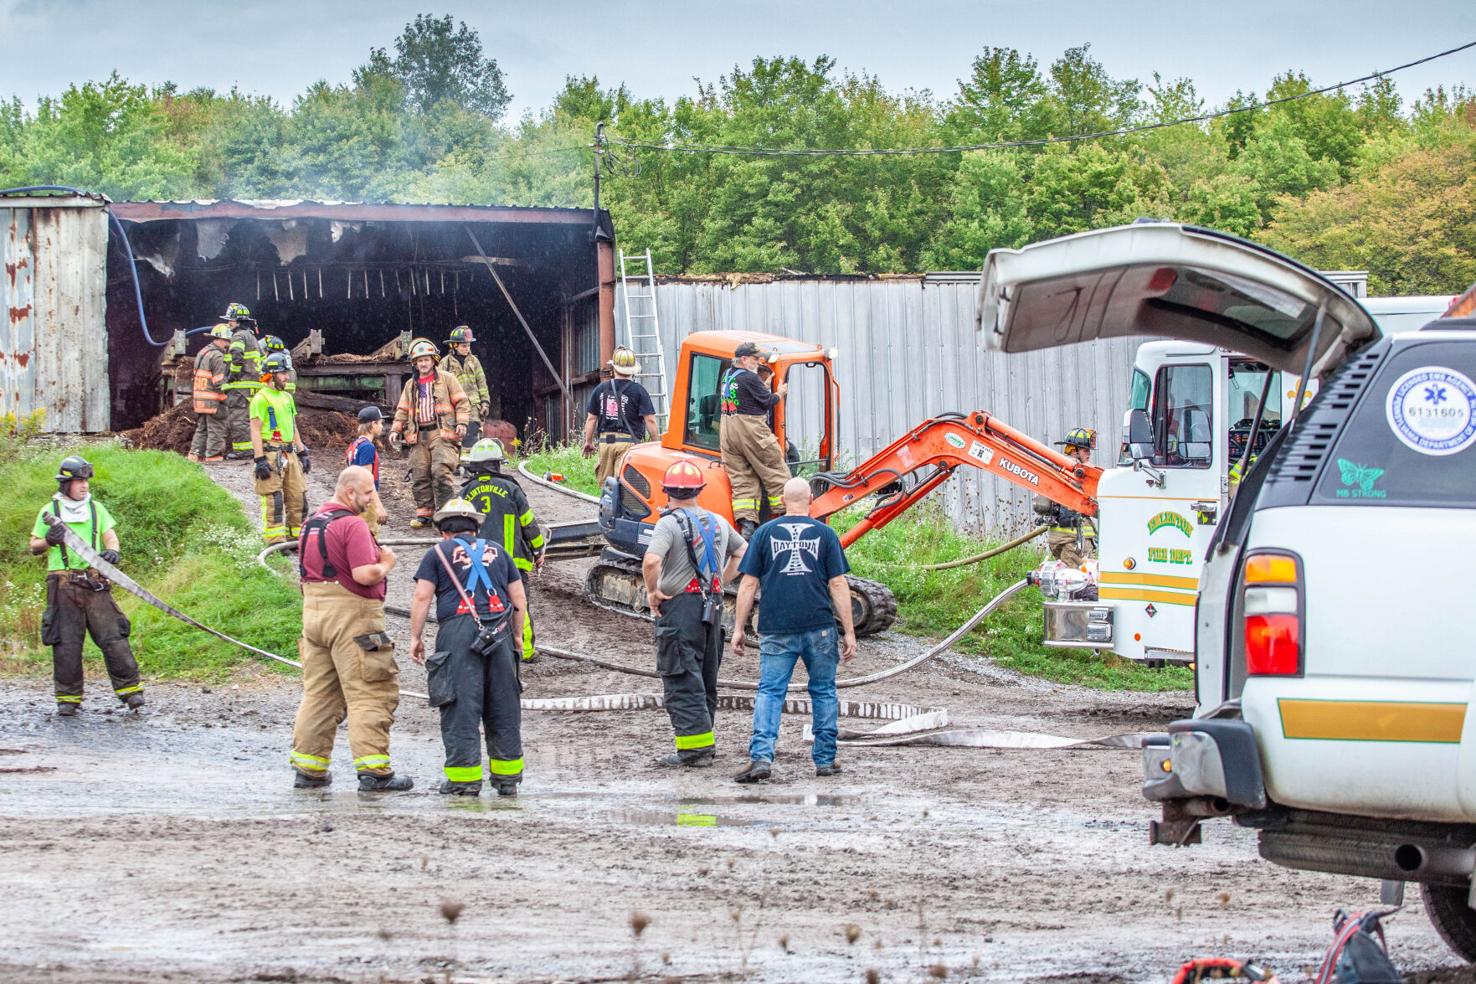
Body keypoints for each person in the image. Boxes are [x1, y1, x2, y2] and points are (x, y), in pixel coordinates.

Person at [291, 466, 410, 791]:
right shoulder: (352, 526)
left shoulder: (310, 524)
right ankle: (375, 772)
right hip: (353, 619)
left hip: (314, 617)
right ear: (349, 492)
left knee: (319, 694)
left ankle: (309, 770)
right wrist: (386, 562)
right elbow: (363, 574)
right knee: (370, 692)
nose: (372, 499)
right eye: (369, 493)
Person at [732, 476, 857, 783]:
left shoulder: (763, 533)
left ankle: (761, 757)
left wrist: (737, 628)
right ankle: (825, 760)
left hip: (777, 627)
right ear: (811, 499)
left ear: (782, 501)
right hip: (820, 628)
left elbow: (748, 583)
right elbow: (838, 583)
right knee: (824, 691)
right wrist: (850, 632)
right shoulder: (826, 534)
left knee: (770, 692)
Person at [409, 498, 528, 797]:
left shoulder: (437, 553)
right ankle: (507, 779)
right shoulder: (499, 552)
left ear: (443, 531)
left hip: (458, 632)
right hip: (499, 632)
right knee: (503, 705)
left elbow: (423, 597)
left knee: (459, 705)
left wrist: (416, 637)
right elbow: (519, 599)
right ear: (475, 527)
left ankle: (464, 780)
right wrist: (516, 638)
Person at [641, 459, 746, 767]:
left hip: (681, 609)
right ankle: (705, 742)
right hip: (712, 607)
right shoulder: (718, 521)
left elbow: (650, 562)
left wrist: (652, 593)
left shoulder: (668, 524)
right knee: (705, 675)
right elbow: (743, 552)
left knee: (681, 676)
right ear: (699, 490)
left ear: (666, 491)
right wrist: (720, 583)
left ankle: (694, 752)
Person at [29, 455, 144, 716]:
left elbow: (110, 537)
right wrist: (49, 540)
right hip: (62, 585)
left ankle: (131, 692)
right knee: (66, 644)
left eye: (86, 482)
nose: (84, 486)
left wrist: (112, 553)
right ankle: (68, 699)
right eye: (79, 481)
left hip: (95, 583)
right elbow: (34, 546)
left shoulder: (96, 509)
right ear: (65, 484)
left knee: (114, 638)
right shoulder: (50, 512)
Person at [460, 438, 546, 662]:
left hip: (476, 561)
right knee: (519, 604)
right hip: (511, 562)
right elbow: (529, 524)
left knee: (478, 604)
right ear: (497, 463)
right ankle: (525, 652)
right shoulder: (511, 488)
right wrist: (538, 550)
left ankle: (480, 646)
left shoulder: (465, 492)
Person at [388, 337, 470, 529]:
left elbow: (462, 402)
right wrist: (395, 429)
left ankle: (445, 513)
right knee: (420, 474)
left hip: (441, 433)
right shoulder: (410, 385)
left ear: (434, 360)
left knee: (441, 472)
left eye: (426, 360)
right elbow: (402, 409)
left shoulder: (447, 379)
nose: (423, 364)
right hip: (418, 436)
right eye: (419, 361)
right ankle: (424, 514)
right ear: (415, 364)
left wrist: (462, 423)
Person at [718, 341, 789, 537]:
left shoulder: (728, 375)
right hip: (749, 428)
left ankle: (747, 530)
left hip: (727, 429)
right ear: (744, 359)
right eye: (756, 358)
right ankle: (788, 518)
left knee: (741, 479)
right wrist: (779, 393)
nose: (759, 362)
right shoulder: (750, 377)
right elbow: (767, 403)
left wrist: (762, 387)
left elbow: (745, 396)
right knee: (774, 468)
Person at [250, 351, 311, 545]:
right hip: (271, 453)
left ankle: (295, 538)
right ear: (272, 374)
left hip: (289, 452)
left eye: (287, 373)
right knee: (273, 499)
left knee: (298, 497)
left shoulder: (286, 397)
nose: (287, 377)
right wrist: (259, 460)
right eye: (283, 373)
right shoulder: (260, 399)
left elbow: (293, 426)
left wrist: (302, 452)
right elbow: (255, 431)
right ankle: (275, 541)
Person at [582, 346, 658, 486]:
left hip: (605, 444)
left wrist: (588, 442)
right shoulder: (639, 391)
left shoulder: (600, 389)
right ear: (632, 370)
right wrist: (655, 443)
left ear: (614, 368)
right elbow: (650, 420)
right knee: (624, 487)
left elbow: (591, 419)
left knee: (607, 487)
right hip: (628, 445)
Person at [1045, 427, 1098, 568]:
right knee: (1083, 581)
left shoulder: (1059, 469)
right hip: (1074, 540)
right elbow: (1091, 503)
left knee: (1067, 581)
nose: (1089, 454)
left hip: (1061, 539)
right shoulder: (1075, 473)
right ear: (1074, 451)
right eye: (1085, 450)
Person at [220, 302, 264, 460]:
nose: (228, 323)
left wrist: (232, 376)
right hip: (252, 386)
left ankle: (243, 451)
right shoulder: (252, 337)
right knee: (250, 418)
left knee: (238, 419)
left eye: (230, 320)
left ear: (238, 321)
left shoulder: (238, 336)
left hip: (240, 386)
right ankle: (254, 448)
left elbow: (237, 357)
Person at [441, 326, 492, 447]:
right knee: (452, 440)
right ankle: (456, 465)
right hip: (453, 407)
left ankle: (471, 464)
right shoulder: (445, 363)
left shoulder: (474, 361)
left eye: (469, 345)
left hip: (473, 408)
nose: (467, 348)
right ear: (454, 346)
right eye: (464, 346)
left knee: (471, 438)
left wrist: (485, 403)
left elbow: (482, 383)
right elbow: (439, 387)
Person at [188, 323, 232, 462]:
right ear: (220, 339)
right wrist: (231, 396)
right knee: (216, 430)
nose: (228, 345)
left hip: (201, 401)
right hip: (214, 402)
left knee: (202, 429)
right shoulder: (218, 356)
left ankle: (195, 455)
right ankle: (214, 458)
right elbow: (220, 383)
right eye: (227, 341)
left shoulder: (203, 352)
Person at [345, 406, 388, 537]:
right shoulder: (367, 447)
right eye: (380, 423)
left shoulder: (355, 444)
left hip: (353, 498)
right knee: (369, 537)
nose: (382, 427)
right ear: (373, 424)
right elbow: (367, 480)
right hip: (365, 500)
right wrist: (379, 506)